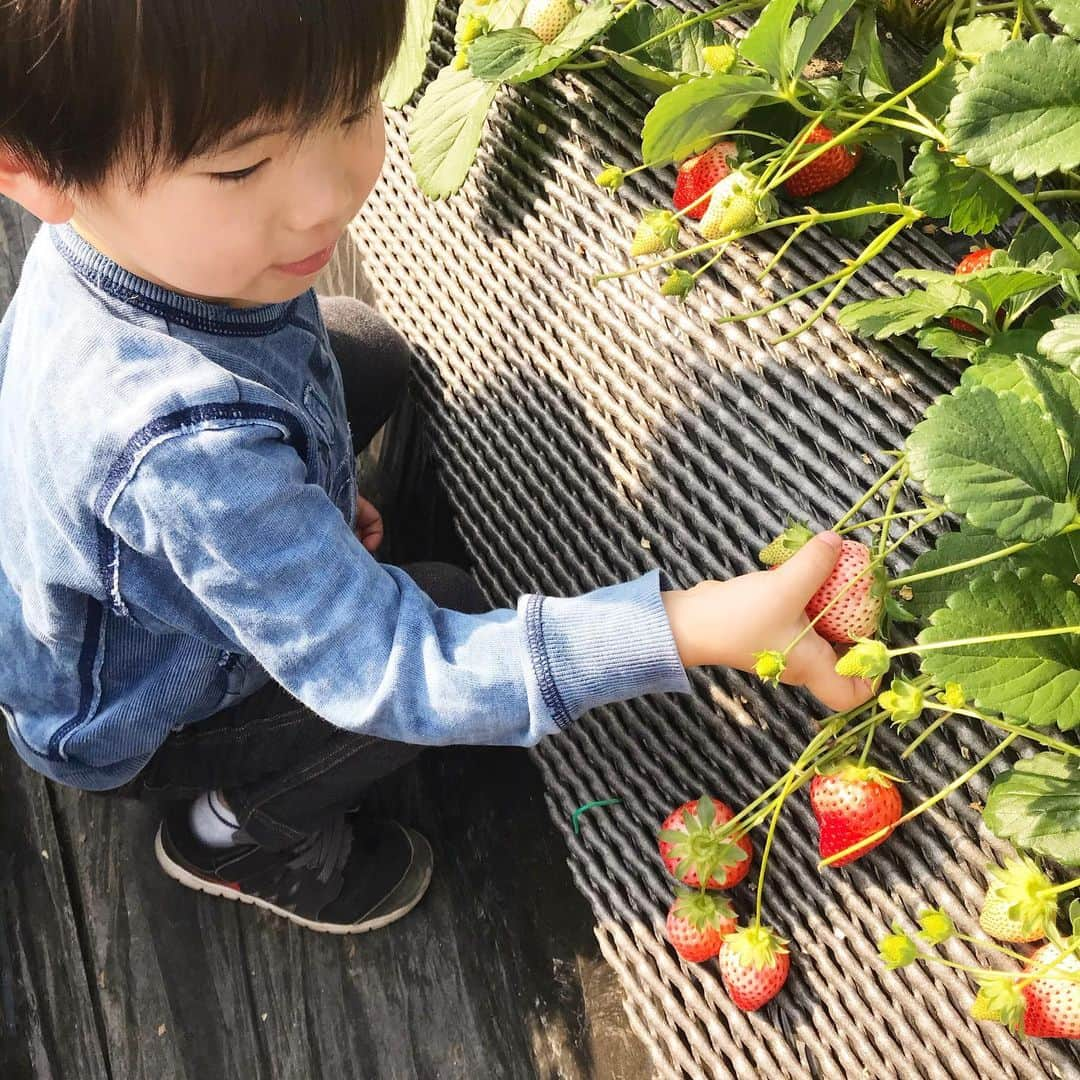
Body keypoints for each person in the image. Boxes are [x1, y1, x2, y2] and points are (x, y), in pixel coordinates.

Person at [0, 0, 875, 935]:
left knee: (362, 347)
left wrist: (308, 515)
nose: (326, 196)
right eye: (238, 165)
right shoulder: (184, 448)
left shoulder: (132, 245)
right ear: (36, 172)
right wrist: (684, 626)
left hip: (110, 567)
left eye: (349, 109)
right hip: (140, 716)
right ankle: (234, 833)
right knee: (445, 610)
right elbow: (395, 669)